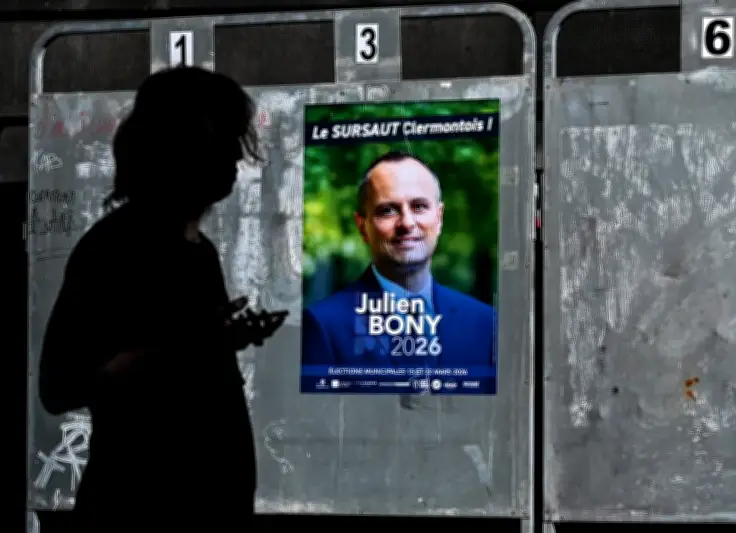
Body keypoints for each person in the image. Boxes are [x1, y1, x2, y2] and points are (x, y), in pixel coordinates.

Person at [37, 66, 287, 532]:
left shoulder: (197, 252)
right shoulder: (116, 249)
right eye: (226, 138)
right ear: (186, 146)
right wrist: (196, 343)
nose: (237, 155)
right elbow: (60, 385)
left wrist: (217, 339)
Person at [302, 151, 496, 368]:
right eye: (388, 210)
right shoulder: (323, 326)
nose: (407, 223)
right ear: (362, 227)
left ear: (439, 219)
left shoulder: (485, 324)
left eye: (419, 206)